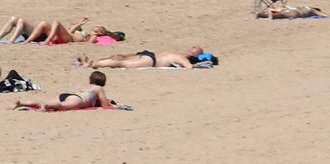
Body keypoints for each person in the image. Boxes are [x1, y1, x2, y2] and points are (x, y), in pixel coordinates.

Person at [14, 70, 120, 109]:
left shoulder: (86, 86)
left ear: (90, 80)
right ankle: (47, 106)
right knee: (62, 106)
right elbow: (105, 105)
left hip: (67, 95)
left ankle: (22, 103)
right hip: (78, 99)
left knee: (43, 102)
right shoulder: (99, 88)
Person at [83, 47, 212, 68]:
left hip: (151, 58)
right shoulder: (179, 55)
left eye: (194, 49)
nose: (190, 49)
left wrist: (196, 65)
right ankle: (96, 63)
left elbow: (189, 67)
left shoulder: (183, 59)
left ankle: (95, 63)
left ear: (197, 55)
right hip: (150, 57)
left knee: (121, 62)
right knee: (120, 59)